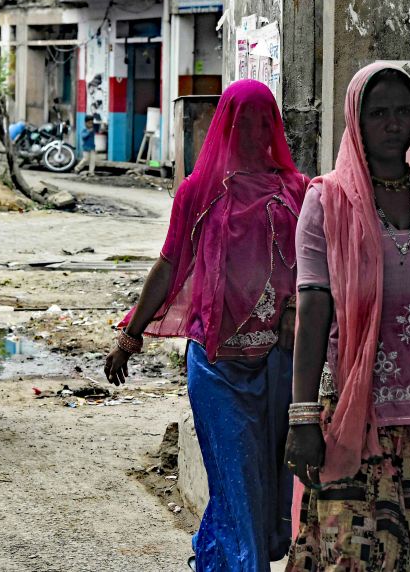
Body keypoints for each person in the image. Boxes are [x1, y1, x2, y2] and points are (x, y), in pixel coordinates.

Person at [284, 63, 410, 571]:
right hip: (355, 412)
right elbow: (313, 309)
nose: (393, 123)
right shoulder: (325, 200)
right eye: (378, 113)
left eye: (403, 111)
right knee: (348, 553)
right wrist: (303, 416)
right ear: (356, 120)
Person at [105, 80, 308, 571]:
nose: (254, 130)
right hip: (215, 368)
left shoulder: (297, 190)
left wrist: (295, 312)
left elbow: (314, 269)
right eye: (244, 120)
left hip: (277, 365)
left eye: (264, 120)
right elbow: (170, 265)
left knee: (261, 483)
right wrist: (130, 336)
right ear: (226, 125)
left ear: (274, 126)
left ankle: (214, 561)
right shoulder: (199, 191)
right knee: (236, 481)